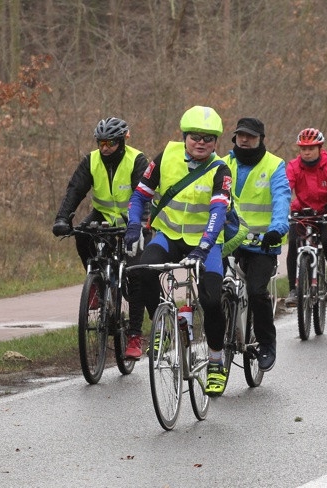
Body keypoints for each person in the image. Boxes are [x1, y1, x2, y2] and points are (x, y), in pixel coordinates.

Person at [125, 106, 233, 396]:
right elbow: (140, 195)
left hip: (205, 243)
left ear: (215, 143)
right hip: (169, 236)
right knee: (142, 271)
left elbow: (218, 210)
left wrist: (205, 245)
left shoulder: (221, 169)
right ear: (184, 136)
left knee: (211, 300)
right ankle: (163, 325)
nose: (201, 142)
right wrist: (134, 225)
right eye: (195, 136)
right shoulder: (166, 156)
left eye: (209, 139)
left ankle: (215, 362)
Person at [51, 117, 150, 358]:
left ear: (122, 142)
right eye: (101, 143)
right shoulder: (92, 160)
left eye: (110, 143)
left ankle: (135, 336)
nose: (104, 148)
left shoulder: (137, 160)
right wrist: (63, 219)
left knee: (136, 274)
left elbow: (143, 194)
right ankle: (96, 283)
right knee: (82, 235)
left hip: (132, 219)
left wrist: (140, 224)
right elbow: (75, 190)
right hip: (103, 214)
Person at [221, 117, 291, 372]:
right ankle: (215, 345)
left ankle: (266, 344)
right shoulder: (223, 163)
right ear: (235, 137)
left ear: (261, 139)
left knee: (256, 292)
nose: (245, 140)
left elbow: (282, 199)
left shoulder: (274, 165)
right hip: (229, 241)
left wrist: (277, 229)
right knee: (211, 286)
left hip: (262, 245)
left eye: (251, 136)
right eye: (241, 135)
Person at [285, 128, 327, 306]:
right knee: (293, 242)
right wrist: (282, 207)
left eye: (310, 148)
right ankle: (293, 289)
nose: (307, 152)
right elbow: (286, 188)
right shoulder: (293, 166)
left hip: (326, 212)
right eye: (303, 149)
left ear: (319, 148)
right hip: (302, 212)